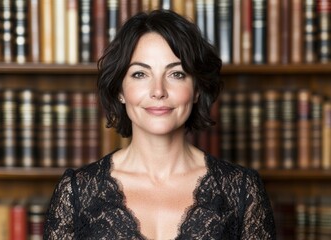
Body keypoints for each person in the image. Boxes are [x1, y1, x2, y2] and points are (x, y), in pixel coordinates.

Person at [44, 9, 276, 239]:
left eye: (176, 74)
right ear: (120, 91)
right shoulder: (75, 192)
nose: (158, 91)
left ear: (196, 89)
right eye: (140, 74)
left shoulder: (242, 191)